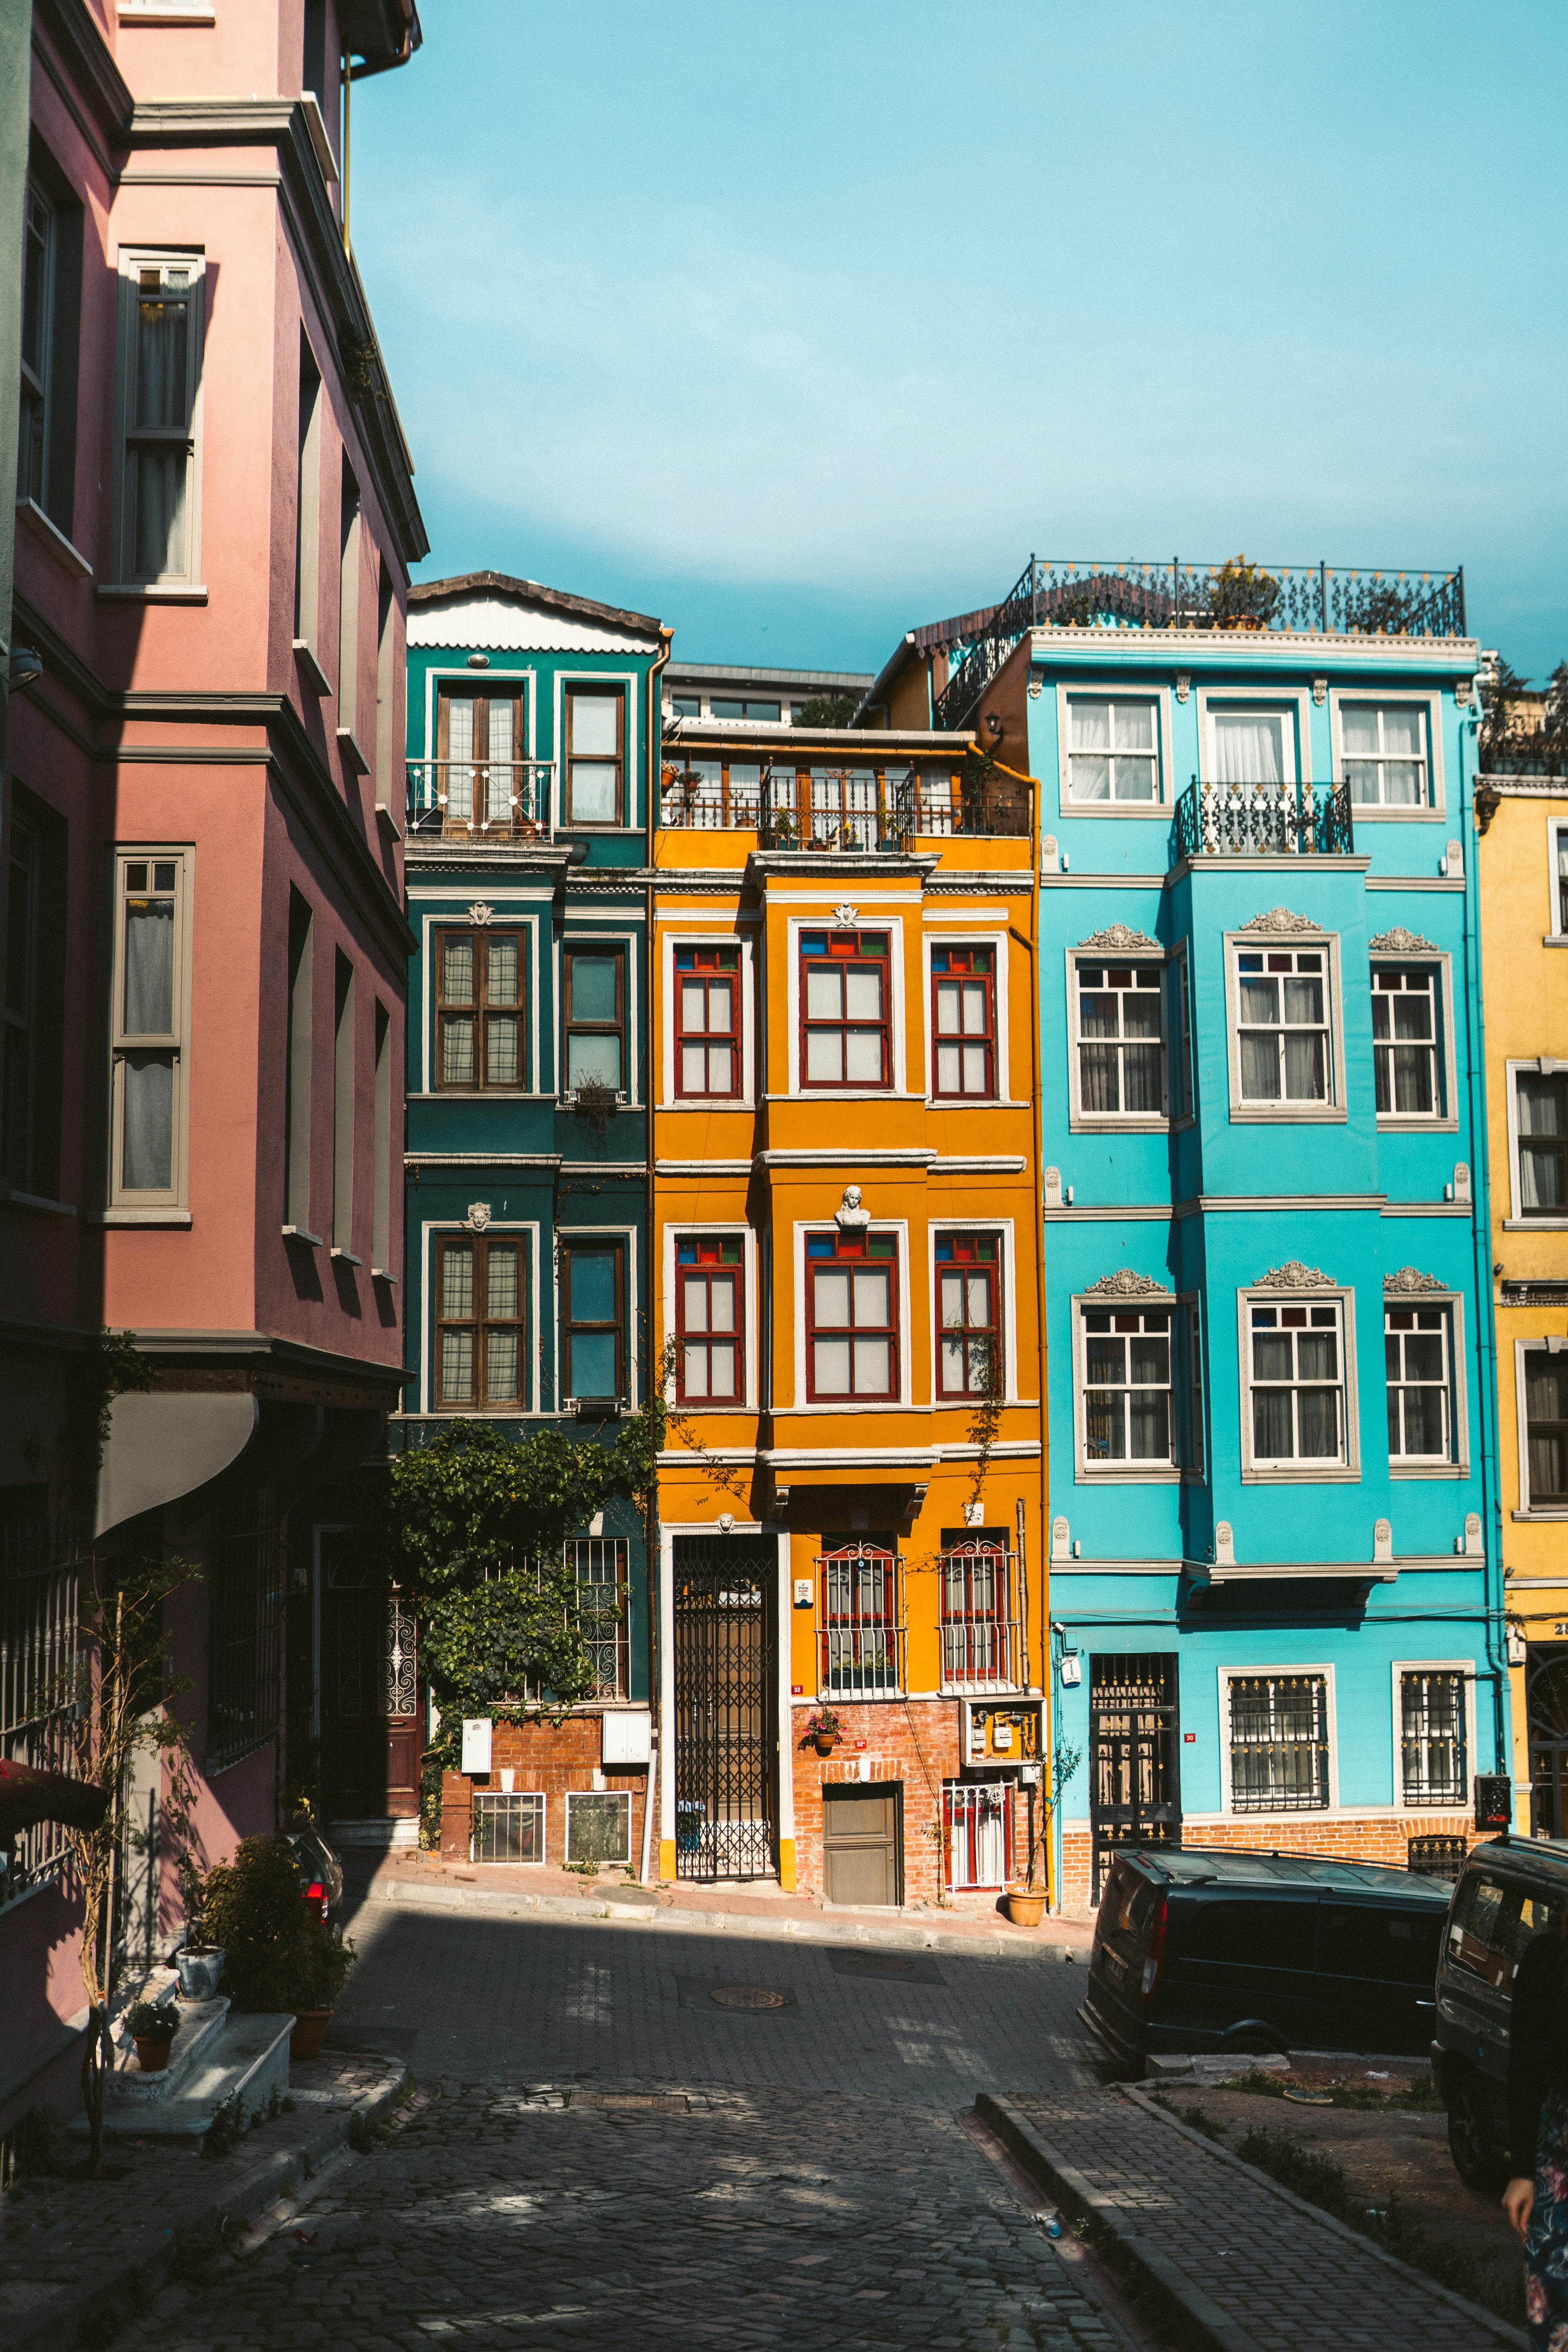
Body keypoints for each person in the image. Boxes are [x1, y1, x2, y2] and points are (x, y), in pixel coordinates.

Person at [1505, 1909, 1568, 2347]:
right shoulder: (1548, 1957)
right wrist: (1523, 2169)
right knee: (1556, 2320)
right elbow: (1524, 2067)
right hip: (1558, 2167)